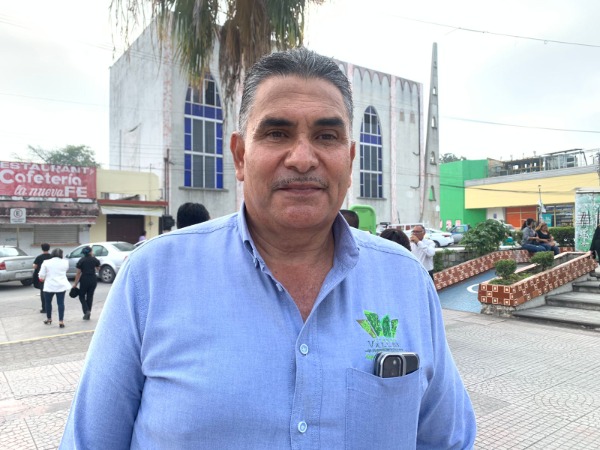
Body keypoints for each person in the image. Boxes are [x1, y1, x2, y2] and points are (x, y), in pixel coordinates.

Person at [61, 48, 475, 448]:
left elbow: (447, 439)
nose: (302, 158)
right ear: (240, 156)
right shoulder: (152, 277)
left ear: (350, 160)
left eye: (326, 136)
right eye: (277, 133)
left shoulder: (405, 281)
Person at [38, 248, 70, 329]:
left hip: (49, 285)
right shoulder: (65, 262)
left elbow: (41, 275)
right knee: (61, 303)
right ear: (61, 254)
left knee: (48, 303)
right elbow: (65, 271)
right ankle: (61, 321)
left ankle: (49, 319)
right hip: (61, 285)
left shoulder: (46, 262)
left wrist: (42, 279)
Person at [71, 246, 100, 320]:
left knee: (81, 295)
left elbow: (78, 273)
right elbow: (98, 269)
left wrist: (75, 283)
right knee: (90, 296)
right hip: (93, 279)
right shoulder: (94, 259)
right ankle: (88, 311)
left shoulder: (81, 260)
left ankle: (86, 311)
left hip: (84, 279)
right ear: (90, 252)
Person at [32, 243, 52, 313]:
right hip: (50, 276)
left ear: (42, 248)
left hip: (42, 277)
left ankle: (44, 308)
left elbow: (35, 266)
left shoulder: (39, 257)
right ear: (49, 248)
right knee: (50, 292)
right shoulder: (52, 257)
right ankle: (49, 306)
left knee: (43, 292)